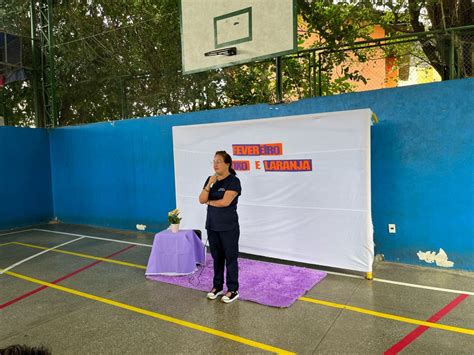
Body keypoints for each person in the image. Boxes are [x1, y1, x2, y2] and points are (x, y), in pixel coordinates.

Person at [199, 150, 242, 303]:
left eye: (218, 161)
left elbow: (225, 202)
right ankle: (217, 286)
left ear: (227, 164)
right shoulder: (210, 180)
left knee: (230, 258)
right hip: (212, 226)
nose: (215, 164)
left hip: (228, 227)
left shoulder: (234, 181)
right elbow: (201, 199)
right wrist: (210, 184)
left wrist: (210, 202)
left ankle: (232, 289)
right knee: (217, 258)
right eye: (214, 161)